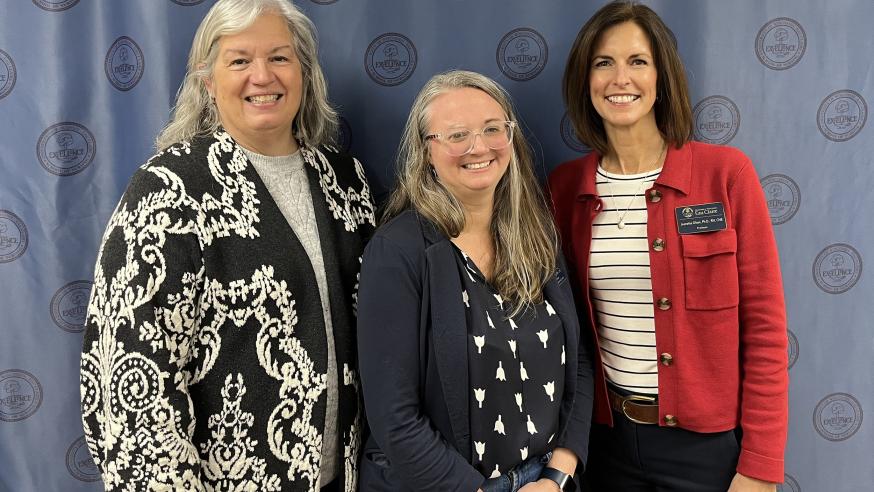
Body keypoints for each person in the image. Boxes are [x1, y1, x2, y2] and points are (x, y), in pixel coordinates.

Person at [79, 1, 374, 490]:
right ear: (207, 81)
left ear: (304, 72)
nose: (262, 76)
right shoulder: (169, 191)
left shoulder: (346, 182)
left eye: (279, 57)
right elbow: (130, 386)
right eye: (239, 61)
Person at [549, 2, 788, 491]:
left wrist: (760, 466)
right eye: (603, 62)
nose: (621, 78)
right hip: (607, 444)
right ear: (584, 79)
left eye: (638, 61)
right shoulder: (563, 189)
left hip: (708, 452)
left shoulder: (726, 174)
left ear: (662, 77)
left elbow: (764, 328)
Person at [356, 70, 594, 492]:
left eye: (491, 129)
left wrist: (558, 474)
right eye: (456, 135)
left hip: (544, 482)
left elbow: (578, 361)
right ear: (426, 151)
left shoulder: (536, 235)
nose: (478, 147)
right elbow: (395, 418)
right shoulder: (398, 252)